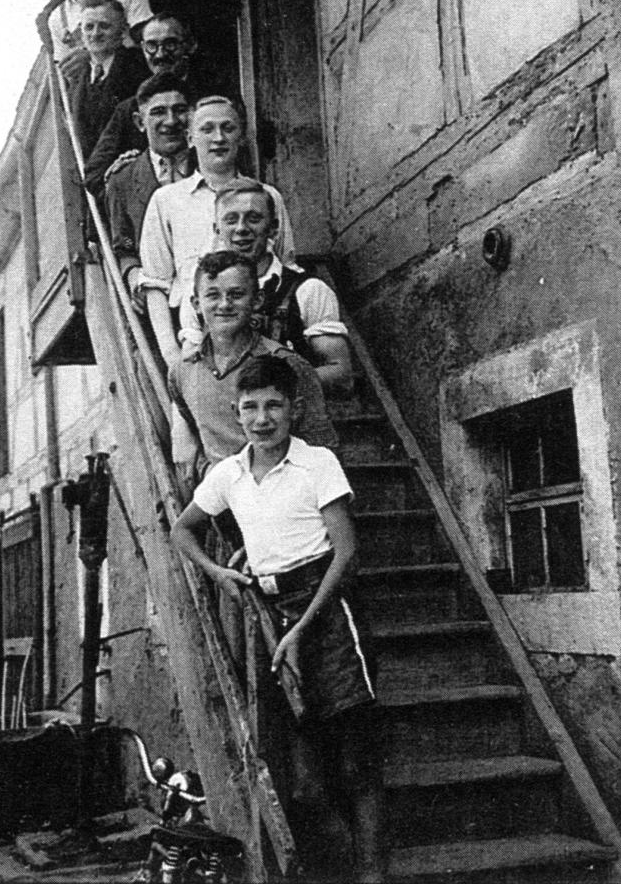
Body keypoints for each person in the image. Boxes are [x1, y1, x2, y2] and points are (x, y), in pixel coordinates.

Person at [172, 356, 383, 883]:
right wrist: (219, 573)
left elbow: (347, 552)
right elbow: (183, 530)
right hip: (269, 613)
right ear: (237, 413)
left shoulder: (318, 463)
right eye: (250, 407)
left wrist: (300, 629)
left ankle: (372, 872)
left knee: (356, 757)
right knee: (301, 761)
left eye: (273, 405)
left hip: (327, 609)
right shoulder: (229, 474)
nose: (261, 418)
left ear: (295, 409)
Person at [139, 97, 295, 367]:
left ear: (242, 137)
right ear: (190, 138)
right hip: (193, 340)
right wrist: (173, 357)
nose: (218, 138)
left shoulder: (268, 197)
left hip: (262, 338)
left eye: (228, 128)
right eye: (207, 129)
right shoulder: (167, 201)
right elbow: (156, 284)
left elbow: (285, 266)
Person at [168, 251, 336, 477]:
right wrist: (209, 472)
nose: (224, 304)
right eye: (213, 295)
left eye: (236, 295)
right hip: (222, 503)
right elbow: (199, 433)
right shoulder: (183, 370)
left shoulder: (286, 364)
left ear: (257, 300)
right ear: (197, 304)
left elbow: (323, 453)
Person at [179, 179, 353, 394]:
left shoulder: (307, 290)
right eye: (231, 220)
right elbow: (189, 371)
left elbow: (341, 373)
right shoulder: (203, 297)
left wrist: (271, 388)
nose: (242, 228)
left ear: (273, 228)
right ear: (217, 230)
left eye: (253, 218)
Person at [83, 12, 235, 199]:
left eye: (170, 44)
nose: (160, 54)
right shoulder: (131, 107)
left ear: (189, 45)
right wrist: (128, 179)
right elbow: (94, 175)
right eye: (152, 46)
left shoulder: (215, 96)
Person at [106, 73, 193, 309]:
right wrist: (134, 279)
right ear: (139, 122)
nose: (171, 121)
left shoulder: (211, 166)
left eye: (180, 110)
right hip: (158, 300)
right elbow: (124, 248)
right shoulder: (121, 180)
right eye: (158, 112)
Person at [68, 0, 149, 160]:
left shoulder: (139, 68)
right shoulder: (77, 80)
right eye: (89, 27)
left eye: (104, 26)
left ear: (123, 30)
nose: (95, 34)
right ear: (81, 33)